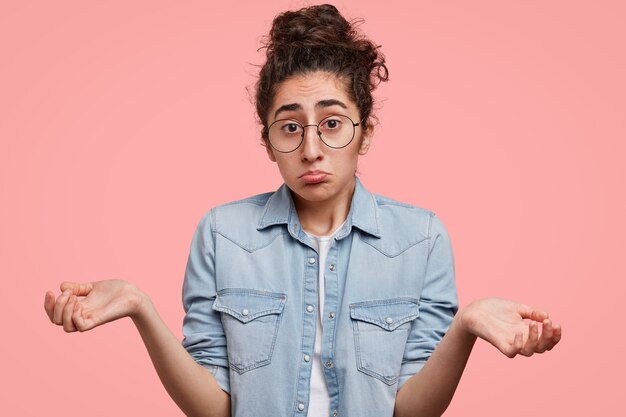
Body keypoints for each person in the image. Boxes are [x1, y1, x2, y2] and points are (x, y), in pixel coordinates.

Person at [44, 4, 561, 417]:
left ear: (366, 132)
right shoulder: (222, 233)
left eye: (332, 123)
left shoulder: (422, 238)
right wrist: (139, 307)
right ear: (268, 141)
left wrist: (465, 327)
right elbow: (215, 409)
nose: (311, 149)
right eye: (290, 126)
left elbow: (410, 410)